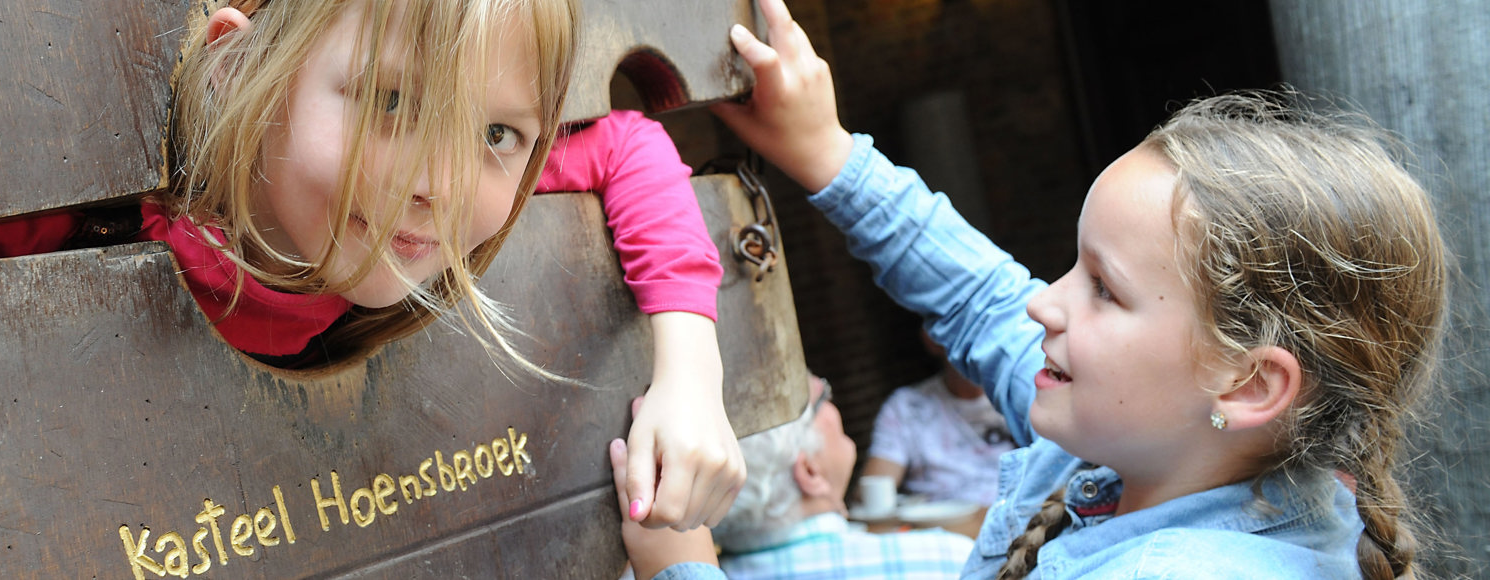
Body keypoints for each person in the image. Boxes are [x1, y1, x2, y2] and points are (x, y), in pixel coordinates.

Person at [0, 1, 744, 576]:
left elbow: (625, 141)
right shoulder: (46, 222)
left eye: (495, 134)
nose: (441, 184)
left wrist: (687, 373)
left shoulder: (484, 195)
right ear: (236, 66)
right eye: (393, 104)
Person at [634, 0, 1443, 577]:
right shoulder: (1155, 441)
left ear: (1249, 382)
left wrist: (682, 565)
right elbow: (982, 296)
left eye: (1105, 290)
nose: (1043, 302)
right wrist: (827, 153)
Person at [615, 374, 974, 580]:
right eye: (819, 399)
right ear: (810, 471)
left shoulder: (655, 569)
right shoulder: (951, 562)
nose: (830, 398)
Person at [862, 331, 1013, 525]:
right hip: (937, 531)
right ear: (931, 339)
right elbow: (873, 494)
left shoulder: (1019, 398)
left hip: (1018, 527)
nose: (975, 342)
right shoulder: (906, 407)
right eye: (963, 328)